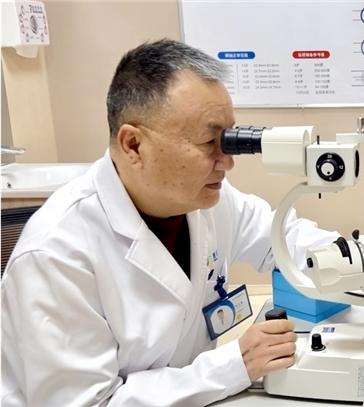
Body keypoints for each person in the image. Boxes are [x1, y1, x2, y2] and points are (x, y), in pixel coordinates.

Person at [1, 39, 338, 406]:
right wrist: (233, 365)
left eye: (229, 140)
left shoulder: (205, 201)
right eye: (210, 141)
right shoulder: (55, 255)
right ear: (133, 145)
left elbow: (283, 239)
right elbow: (89, 403)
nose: (227, 161)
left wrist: (355, 259)